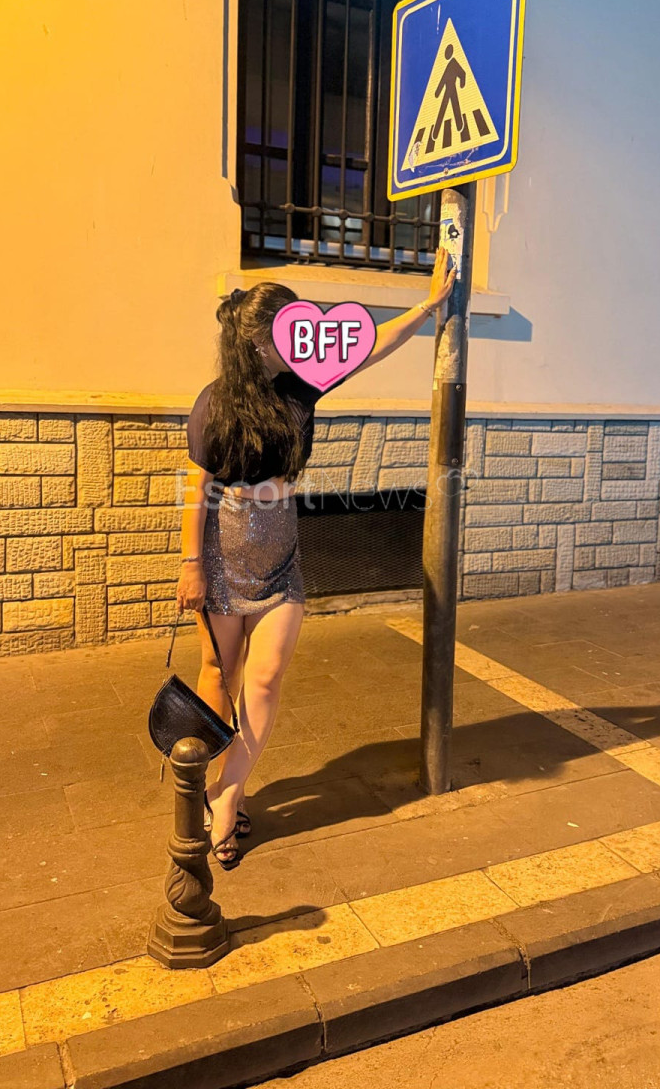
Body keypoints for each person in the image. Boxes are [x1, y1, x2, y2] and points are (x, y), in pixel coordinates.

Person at [176, 247, 456, 868]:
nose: (307, 337)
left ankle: (227, 795)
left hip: (281, 553)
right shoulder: (215, 401)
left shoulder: (304, 384)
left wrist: (427, 305)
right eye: (290, 328)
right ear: (258, 342)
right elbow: (197, 487)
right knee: (218, 674)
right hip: (223, 552)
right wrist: (191, 564)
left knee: (265, 676)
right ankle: (200, 786)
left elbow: (370, 344)